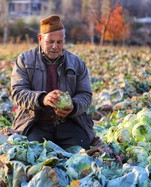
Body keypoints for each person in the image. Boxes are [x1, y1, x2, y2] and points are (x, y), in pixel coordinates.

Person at [10, 15, 95, 150]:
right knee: (33, 152)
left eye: (59, 42)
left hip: (69, 122)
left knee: (81, 151)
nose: (55, 46)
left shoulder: (76, 63)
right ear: (40, 39)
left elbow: (85, 94)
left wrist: (73, 106)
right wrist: (43, 99)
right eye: (50, 41)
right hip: (35, 122)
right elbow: (18, 93)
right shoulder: (25, 60)